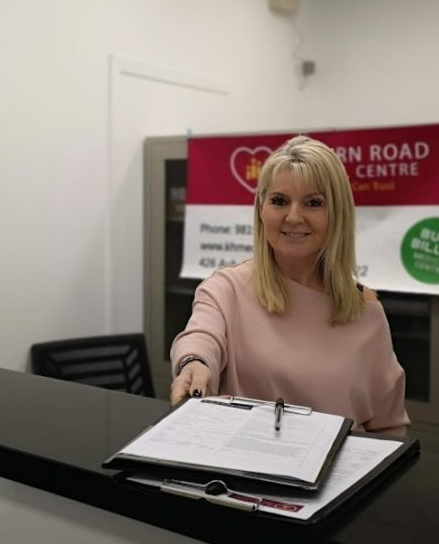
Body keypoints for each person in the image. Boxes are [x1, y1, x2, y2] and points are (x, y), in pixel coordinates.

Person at [169, 135, 409, 435]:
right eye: (280, 201)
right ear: (261, 209)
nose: (294, 217)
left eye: (313, 203)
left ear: (337, 214)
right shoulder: (225, 289)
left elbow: (389, 428)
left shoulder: (366, 311)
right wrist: (194, 364)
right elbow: (199, 338)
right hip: (246, 474)